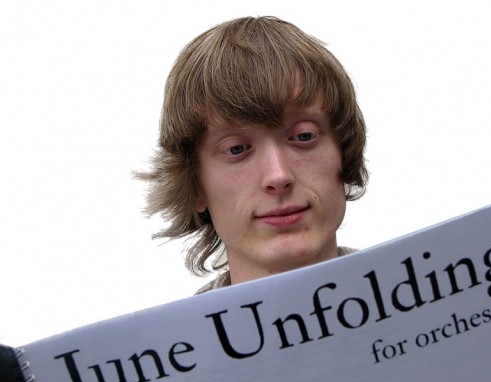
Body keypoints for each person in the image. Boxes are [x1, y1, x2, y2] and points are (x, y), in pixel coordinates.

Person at [138, 16, 368, 293]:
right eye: (236, 149)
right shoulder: (168, 337)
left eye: (304, 136)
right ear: (195, 184)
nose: (278, 175)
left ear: (344, 151)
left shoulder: (433, 310)